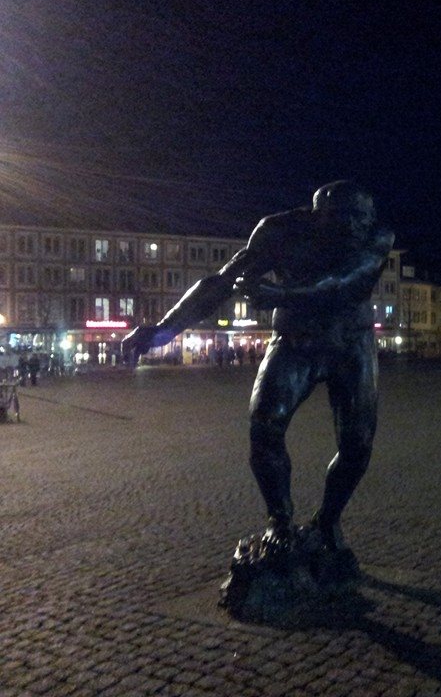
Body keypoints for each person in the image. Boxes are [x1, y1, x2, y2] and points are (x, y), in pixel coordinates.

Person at [122, 180, 394, 556]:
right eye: (344, 219)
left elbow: (347, 282)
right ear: (317, 217)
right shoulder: (279, 232)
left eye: (363, 219)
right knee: (264, 425)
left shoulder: (378, 236)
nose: (355, 228)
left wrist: (282, 295)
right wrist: (164, 329)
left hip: (352, 344)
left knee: (357, 445)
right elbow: (222, 282)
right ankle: (279, 520)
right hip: (295, 341)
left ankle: (327, 521)